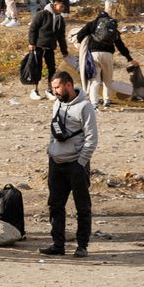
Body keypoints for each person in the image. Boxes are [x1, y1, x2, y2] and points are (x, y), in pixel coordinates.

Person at [40, 70, 98, 258]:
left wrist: (81, 162)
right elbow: (53, 129)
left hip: (76, 164)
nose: (54, 91)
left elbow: (92, 138)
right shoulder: (57, 104)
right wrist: (51, 150)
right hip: (56, 162)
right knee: (55, 205)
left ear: (68, 85)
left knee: (82, 206)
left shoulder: (85, 107)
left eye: (57, 87)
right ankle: (58, 245)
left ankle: (82, 246)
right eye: (52, 87)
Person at [74, 6, 133, 109]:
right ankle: (107, 101)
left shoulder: (92, 24)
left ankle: (94, 103)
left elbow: (79, 36)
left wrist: (84, 43)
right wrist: (129, 58)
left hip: (94, 54)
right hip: (108, 55)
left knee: (95, 80)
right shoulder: (112, 27)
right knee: (107, 79)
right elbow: (120, 45)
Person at [26, 0, 70, 100]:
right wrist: (31, 43)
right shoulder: (42, 14)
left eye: (63, 6)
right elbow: (33, 28)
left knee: (52, 68)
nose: (62, 8)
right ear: (55, 5)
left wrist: (64, 51)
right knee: (37, 68)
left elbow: (61, 36)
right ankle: (35, 90)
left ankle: (50, 89)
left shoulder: (60, 19)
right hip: (38, 46)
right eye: (61, 6)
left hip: (50, 47)